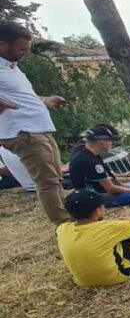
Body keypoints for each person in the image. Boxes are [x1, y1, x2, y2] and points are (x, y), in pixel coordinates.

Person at [0, 21, 71, 223]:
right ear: (2, 45)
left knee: (56, 178)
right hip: (24, 133)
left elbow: (22, 97)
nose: (26, 53)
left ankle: (70, 216)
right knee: (47, 182)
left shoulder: (11, 68)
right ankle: (65, 225)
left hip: (39, 129)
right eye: (22, 48)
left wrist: (46, 101)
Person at [57, 189, 130, 287]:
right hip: (116, 277)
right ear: (98, 211)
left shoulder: (62, 229)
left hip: (82, 282)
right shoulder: (108, 228)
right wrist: (127, 218)